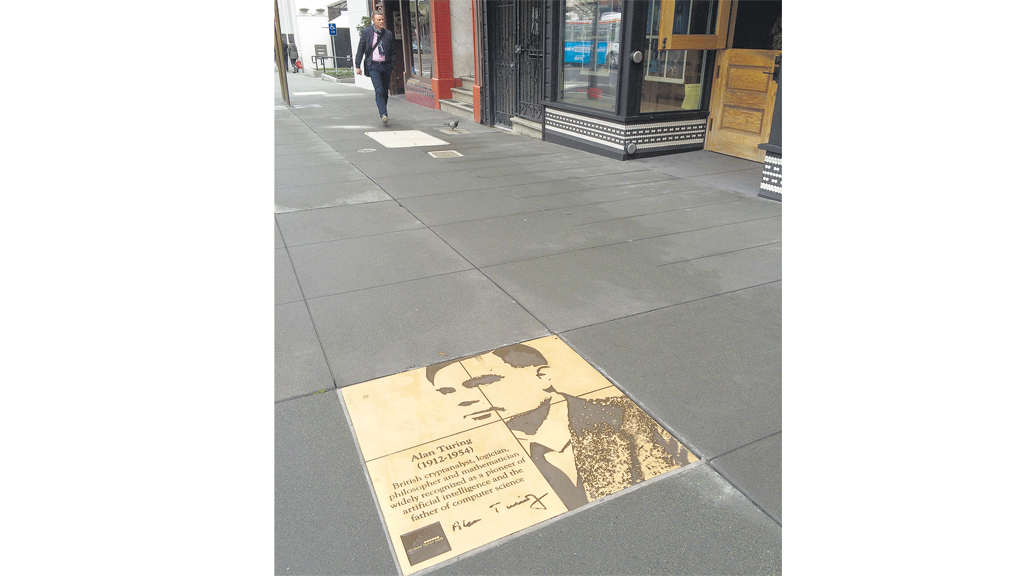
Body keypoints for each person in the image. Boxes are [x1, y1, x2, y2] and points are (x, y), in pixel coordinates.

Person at [426, 343, 691, 510]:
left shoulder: (626, 415)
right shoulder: (475, 453)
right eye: (447, 392)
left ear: (543, 376)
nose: (464, 400)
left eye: (482, 383)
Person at [354, 11, 396, 125]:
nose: (381, 21)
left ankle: (383, 110)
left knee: (385, 91)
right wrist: (357, 66)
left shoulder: (388, 34)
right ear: (373, 20)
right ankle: (383, 114)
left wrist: (392, 65)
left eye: (382, 19)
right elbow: (360, 49)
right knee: (379, 90)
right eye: (379, 20)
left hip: (386, 66)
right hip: (373, 65)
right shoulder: (366, 32)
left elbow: (393, 51)